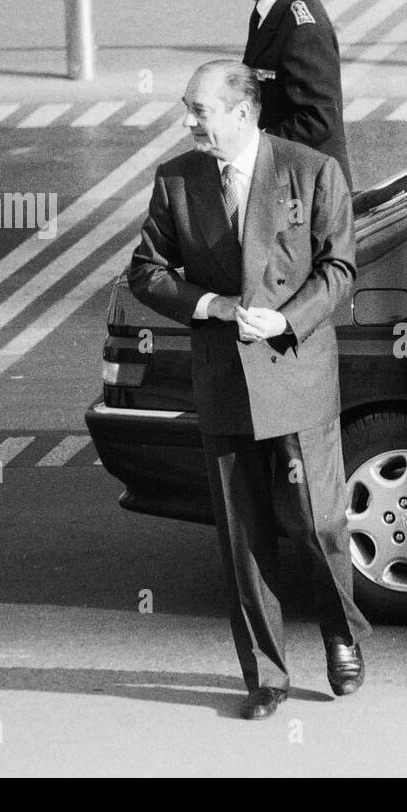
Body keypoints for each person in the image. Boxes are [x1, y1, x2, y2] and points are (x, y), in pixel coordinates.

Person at [128, 60, 370, 719]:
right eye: (187, 109)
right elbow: (145, 272)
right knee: (244, 537)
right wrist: (207, 303)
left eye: (198, 110)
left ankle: (341, 635)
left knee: (319, 524)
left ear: (242, 112)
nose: (188, 122)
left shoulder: (311, 171)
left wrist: (287, 318)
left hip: (296, 374)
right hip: (226, 382)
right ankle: (265, 675)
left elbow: (340, 268)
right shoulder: (176, 180)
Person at [215, 0, 353, 189]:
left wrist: (252, 147)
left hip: (309, 189)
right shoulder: (269, 9)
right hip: (286, 178)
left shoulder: (302, 25)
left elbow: (318, 118)